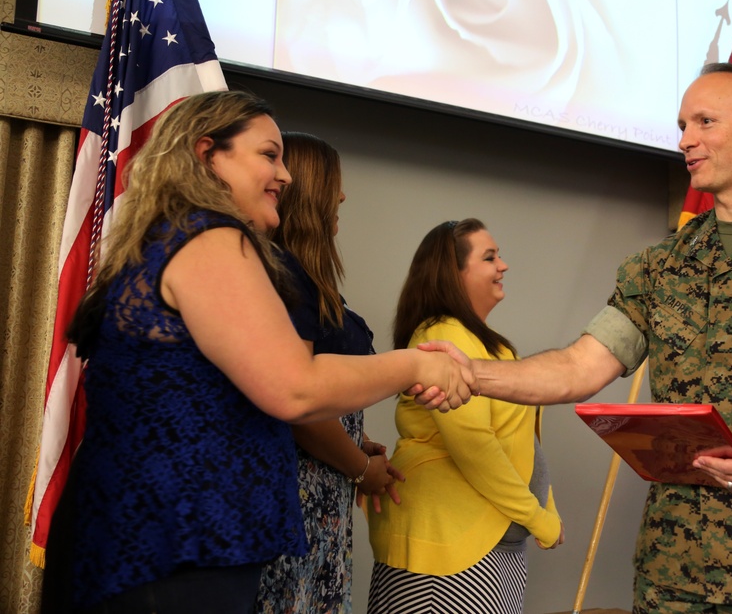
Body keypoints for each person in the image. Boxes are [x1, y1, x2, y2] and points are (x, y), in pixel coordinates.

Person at [421, 63, 732, 612]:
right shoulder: (660, 266)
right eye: (682, 125)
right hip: (676, 573)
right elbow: (579, 366)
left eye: (705, 122)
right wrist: (472, 373)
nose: (686, 140)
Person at [39, 91, 473, 614]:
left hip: (151, 545)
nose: (285, 176)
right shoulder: (209, 237)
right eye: (269, 155)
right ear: (207, 155)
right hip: (171, 551)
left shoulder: (168, 241)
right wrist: (417, 363)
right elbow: (294, 387)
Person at [366, 219, 564, 614]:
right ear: (452, 276)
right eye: (490, 257)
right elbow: (473, 444)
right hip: (450, 548)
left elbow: (521, 439)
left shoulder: (483, 341)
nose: (503, 266)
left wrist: (547, 509)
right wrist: (539, 518)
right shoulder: (445, 335)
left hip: (486, 543)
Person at [255, 132, 403, 613]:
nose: (342, 196)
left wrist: (353, 439)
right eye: (334, 185)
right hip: (297, 502)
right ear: (311, 193)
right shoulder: (285, 276)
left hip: (321, 494)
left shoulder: (305, 278)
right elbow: (299, 406)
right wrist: (363, 471)